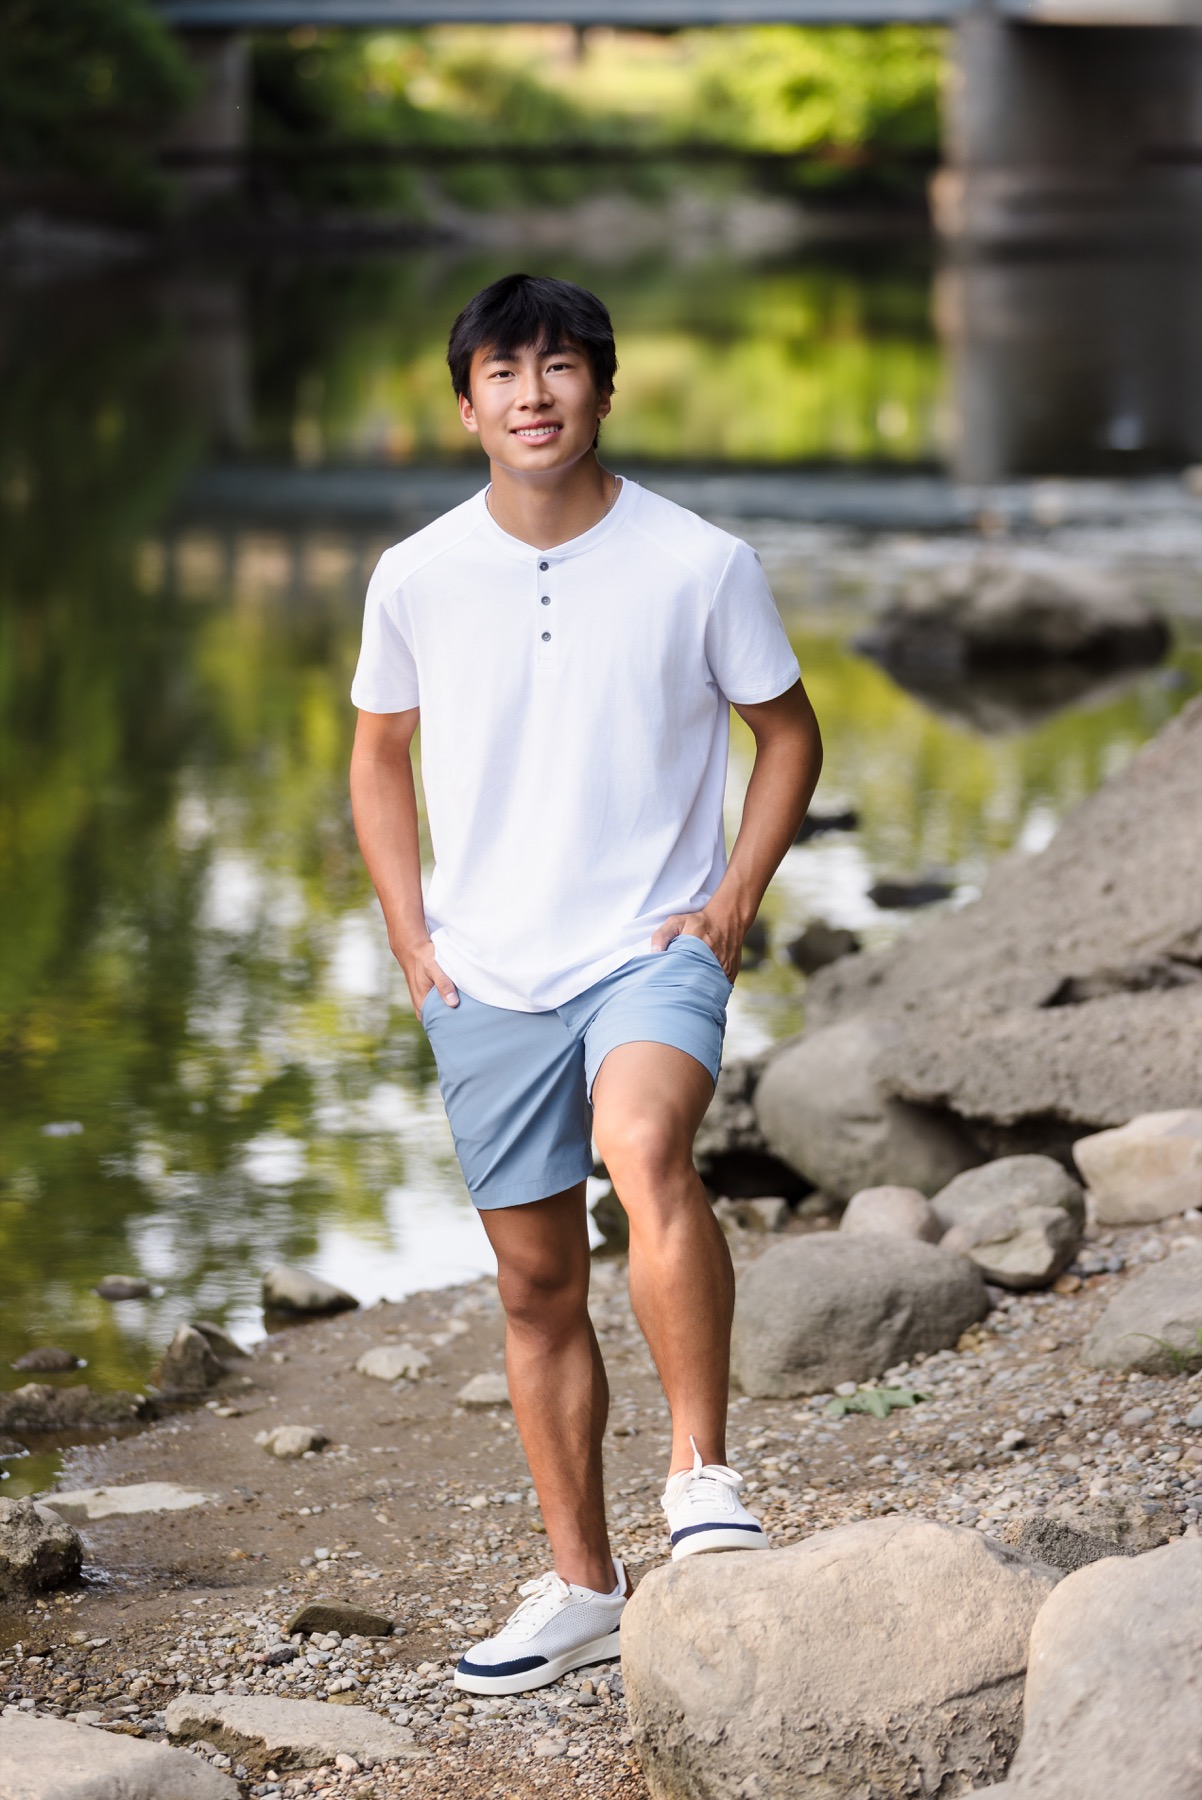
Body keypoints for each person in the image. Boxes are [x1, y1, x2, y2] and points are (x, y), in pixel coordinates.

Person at [349, 273, 822, 1699]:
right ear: (466, 405)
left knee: (644, 1147)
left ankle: (700, 1477)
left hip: (645, 947)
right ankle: (580, 1583)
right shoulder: (416, 573)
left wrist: (733, 896)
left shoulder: (698, 561)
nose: (533, 394)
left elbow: (786, 735)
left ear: (603, 391)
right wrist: (409, 932)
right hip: (483, 970)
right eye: (503, 372)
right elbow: (377, 753)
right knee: (534, 1280)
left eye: (560, 368)